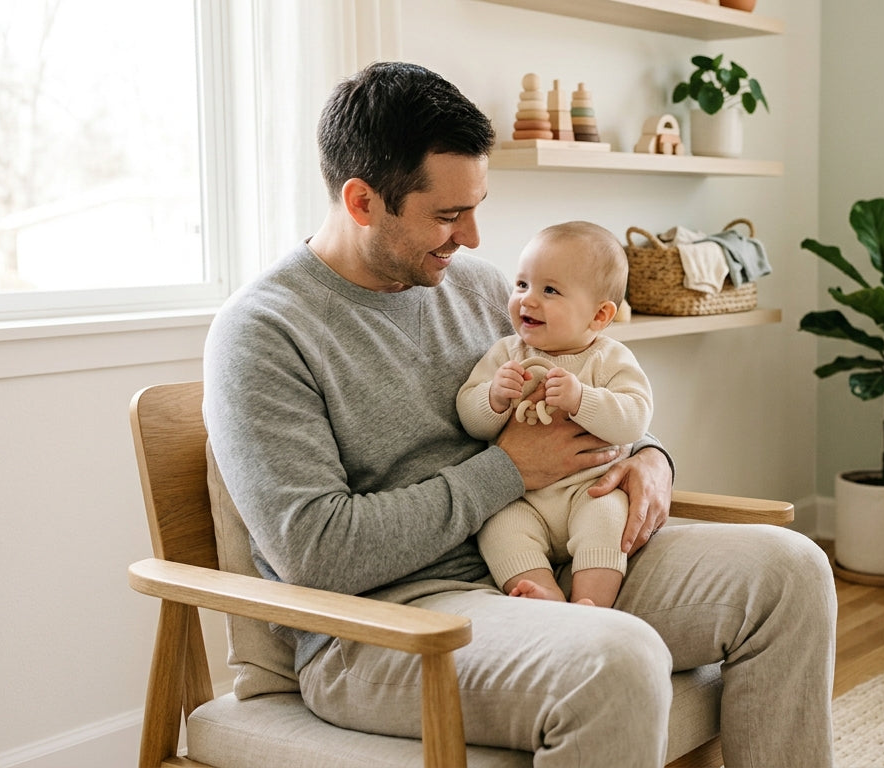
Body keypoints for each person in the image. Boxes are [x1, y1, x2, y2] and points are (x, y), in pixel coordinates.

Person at [202, 60, 836, 767]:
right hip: (381, 625)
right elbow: (319, 554)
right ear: (362, 202)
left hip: (548, 551)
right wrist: (506, 471)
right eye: (447, 214)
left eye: (476, 206)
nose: (472, 237)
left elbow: (580, 371)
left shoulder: (473, 286)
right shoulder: (262, 335)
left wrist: (651, 458)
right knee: (613, 661)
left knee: (791, 570)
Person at [458, 221, 651, 608]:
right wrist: (493, 399)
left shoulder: (609, 358)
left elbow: (635, 418)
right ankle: (542, 590)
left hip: (589, 489)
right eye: (522, 284)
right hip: (522, 496)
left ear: (599, 316)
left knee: (609, 519)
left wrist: (583, 400)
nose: (527, 300)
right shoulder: (505, 355)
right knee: (498, 528)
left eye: (550, 290)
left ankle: (590, 602)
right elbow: (470, 418)